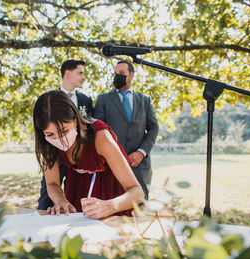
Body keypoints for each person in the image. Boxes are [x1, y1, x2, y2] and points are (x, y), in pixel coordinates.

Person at [33, 90, 144, 219]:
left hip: (112, 195)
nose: (60, 140)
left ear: (75, 119)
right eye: (50, 134)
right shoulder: (47, 144)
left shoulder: (101, 137)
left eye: (64, 131)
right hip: (78, 190)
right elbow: (52, 183)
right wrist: (61, 200)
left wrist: (110, 206)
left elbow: (138, 192)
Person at [94, 60, 159, 199]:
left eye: (121, 73)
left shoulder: (145, 100)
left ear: (131, 76)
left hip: (140, 167)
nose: (117, 76)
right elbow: (97, 131)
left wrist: (141, 153)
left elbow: (154, 128)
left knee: (140, 211)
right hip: (112, 168)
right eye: (115, 73)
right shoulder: (103, 99)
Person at [37, 59, 94, 210]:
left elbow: (90, 128)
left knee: (76, 195)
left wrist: (85, 157)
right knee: (46, 198)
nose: (84, 77)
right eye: (80, 73)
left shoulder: (86, 100)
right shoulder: (49, 100)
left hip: (78, 158)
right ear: (67, 74)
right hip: (54, 154)